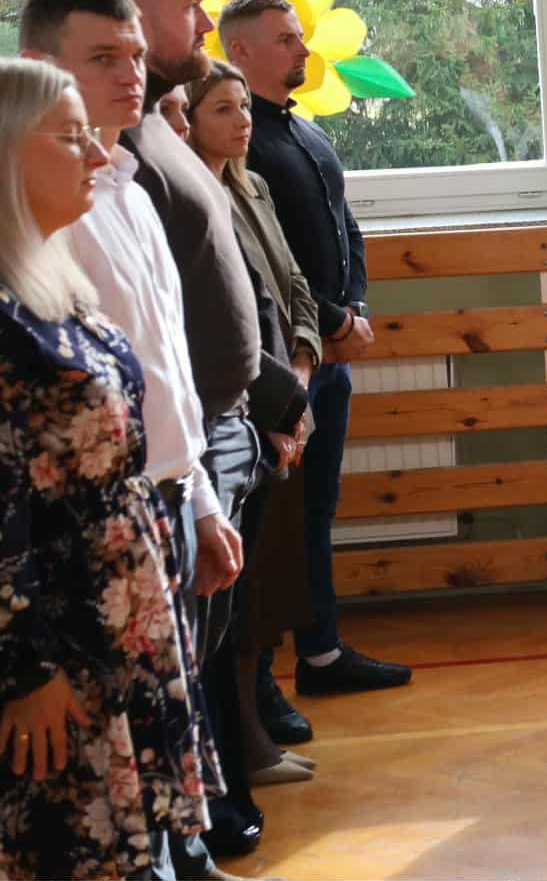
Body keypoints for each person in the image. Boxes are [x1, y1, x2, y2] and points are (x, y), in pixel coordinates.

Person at [87, 0, 308, 873]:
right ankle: (192, 832)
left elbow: (191, 316)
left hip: (203, 447)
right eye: (187, 5)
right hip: (150, 471)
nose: (203, 20)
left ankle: (198, 830)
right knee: (162, 675)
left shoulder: (146, 145)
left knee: (195, 657)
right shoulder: (102, 167)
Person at [0, 58, 222, 880]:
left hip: (117, 622)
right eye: (71, 138)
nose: (98, 154)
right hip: (56, 648)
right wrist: (25, 671)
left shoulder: (50, 280)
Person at [214, 0, 411, 713]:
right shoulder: (239, 147)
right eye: (286, 40)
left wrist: (353, 313)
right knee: (272, 524)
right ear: (240, 51)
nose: (303, 49)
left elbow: (344, 228)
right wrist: (327, 322)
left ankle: (321, 652)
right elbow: (273, 263)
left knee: (315, 511)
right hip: (283, 364)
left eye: (300, 36)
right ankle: (257, 679)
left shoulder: (307, 133)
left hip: (329, 356)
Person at [184, 60, 321, 789]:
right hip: (244, 412)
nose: (242, 121)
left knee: (264, 593)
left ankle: (252, 736)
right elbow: (225, 323)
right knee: (233, 606)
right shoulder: (187, 195)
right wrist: (275, 405)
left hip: (281, 399)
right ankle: (238, 750)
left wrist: (301, 370)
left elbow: (290, 286)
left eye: (244, 107)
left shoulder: (251, 184)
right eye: (222, 109)